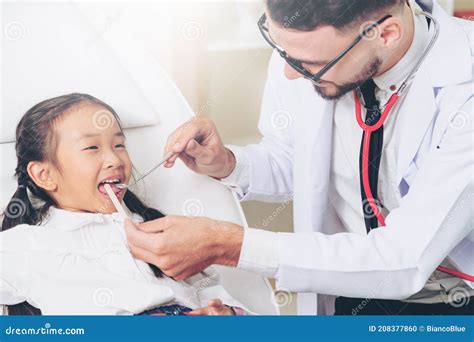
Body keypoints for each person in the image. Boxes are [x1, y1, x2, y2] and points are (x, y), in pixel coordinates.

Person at [124, 0, 473, 315]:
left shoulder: (465, 95)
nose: (290, 74)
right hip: (347, 288)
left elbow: (404, 259)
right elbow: (299, 159)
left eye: (310, 64)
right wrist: (229, 163)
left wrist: (229, 245)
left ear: (387, 34)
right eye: (282, 52)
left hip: (452, 303)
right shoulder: (303, 49)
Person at [0, 93, 248, 315]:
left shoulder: (160, 231)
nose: (114, 159)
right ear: (45, 175)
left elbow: (214, 295)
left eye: (119, 145)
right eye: (91, 148)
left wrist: (228, 313)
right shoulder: (29, 246)